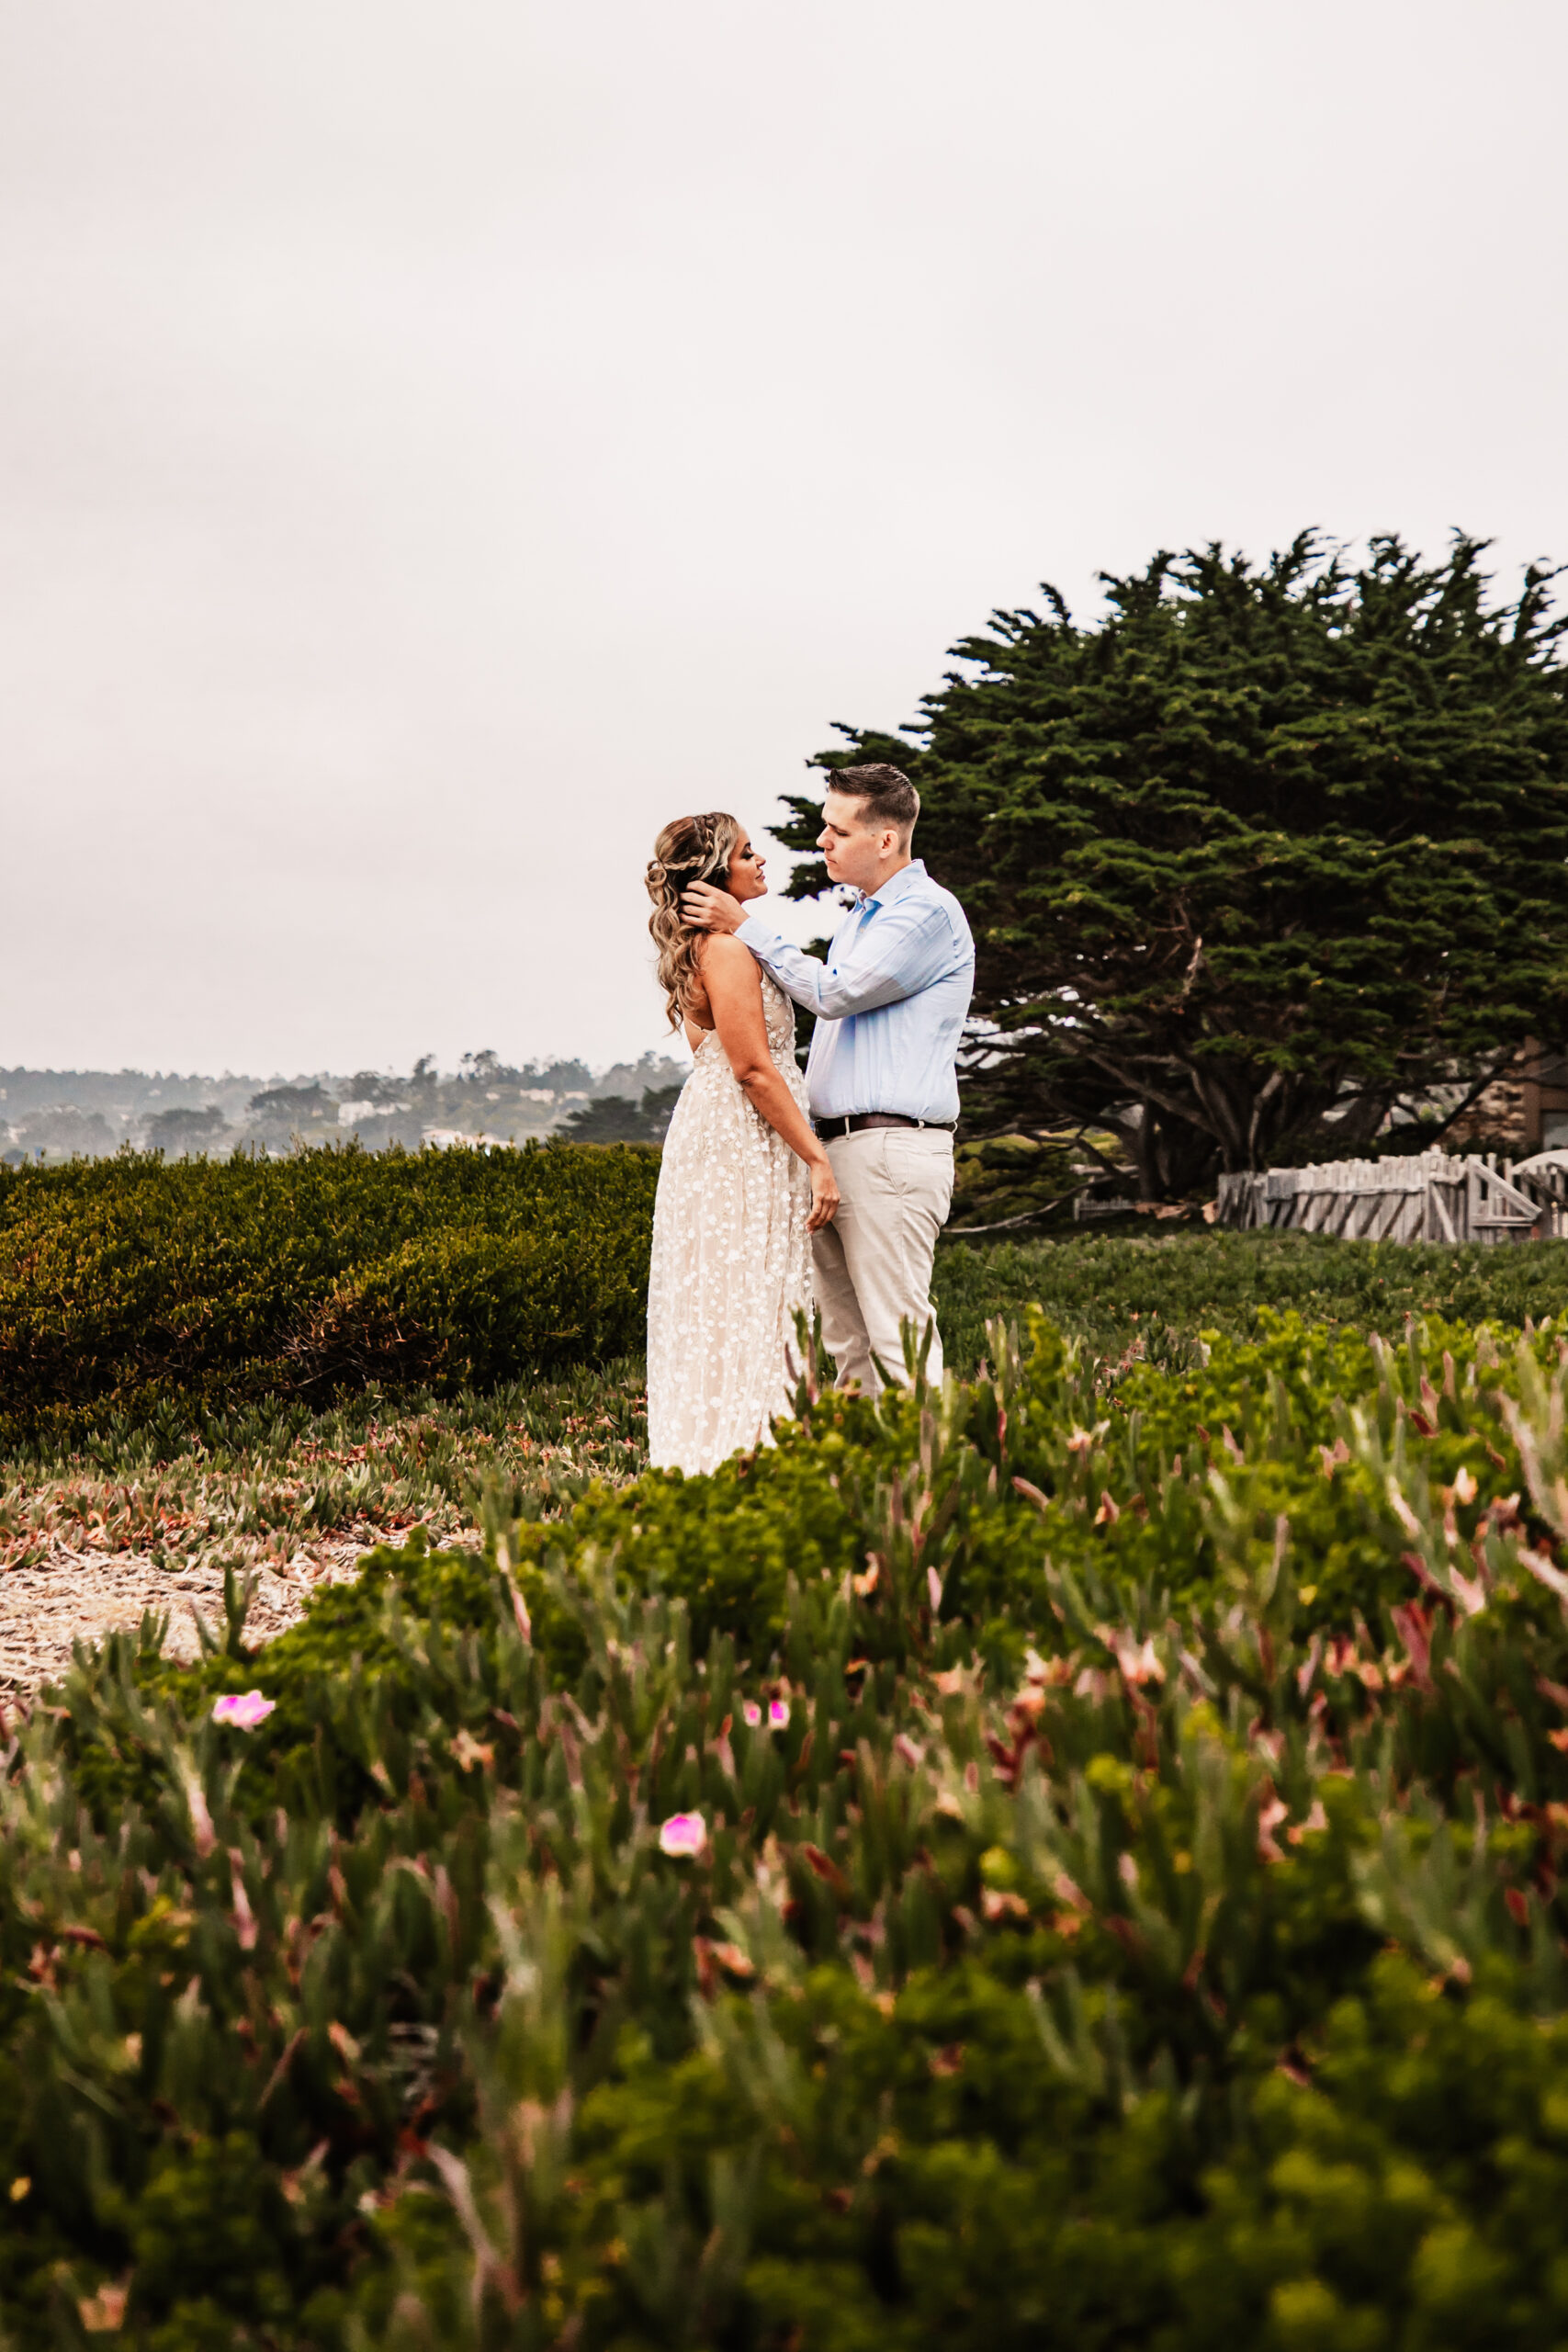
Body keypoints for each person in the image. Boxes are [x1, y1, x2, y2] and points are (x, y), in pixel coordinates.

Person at [683, 763, 974, 1397]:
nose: (822, 842)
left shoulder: (924, 913)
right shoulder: (862, 918)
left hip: (889, 1150)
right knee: (847, 1342)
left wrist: (744, 926)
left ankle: (936, 1477)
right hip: (833, 1152)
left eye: (837, 830)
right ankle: (877, 1485)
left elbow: (836, 994)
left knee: (898, 1333)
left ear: (885, 841)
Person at [643, 811, 840, 1475]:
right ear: (717, 873)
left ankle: (727, 1446)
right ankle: (748, 1451)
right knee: (756, 1294)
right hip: (747, 1141)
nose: (763, 863)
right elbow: (751, 1068)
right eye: (749, 854)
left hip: (713, 1133)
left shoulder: (698, 949)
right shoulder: (726, 950)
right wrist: (815, 1156)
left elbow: (707, 1057)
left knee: (727, 1296)